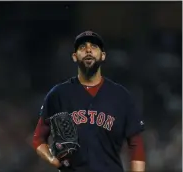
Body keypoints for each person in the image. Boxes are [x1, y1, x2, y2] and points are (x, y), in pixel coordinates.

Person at [32, 30, 146, 172]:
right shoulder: (58, 95)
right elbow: (38, 139)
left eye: (94, 47)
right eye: (82, 47)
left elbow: (136, 144)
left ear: (103, 55)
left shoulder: (121, 96)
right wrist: (53, 160)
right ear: (74, 57)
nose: (88, 50)